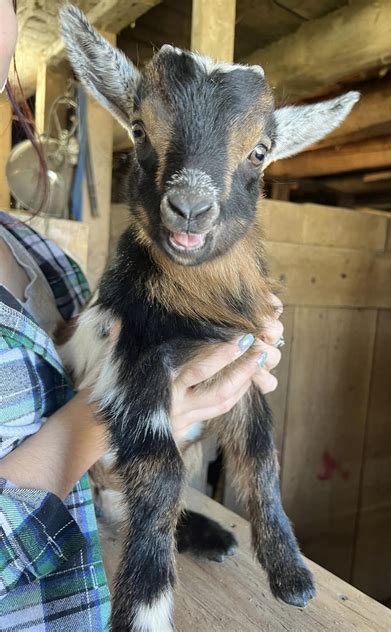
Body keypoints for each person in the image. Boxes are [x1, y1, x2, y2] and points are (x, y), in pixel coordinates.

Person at [0, 2, 284, 629]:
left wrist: (203, 381)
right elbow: (96, 419)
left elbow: (91, 451)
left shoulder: (47, 259)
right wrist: (118, 419)